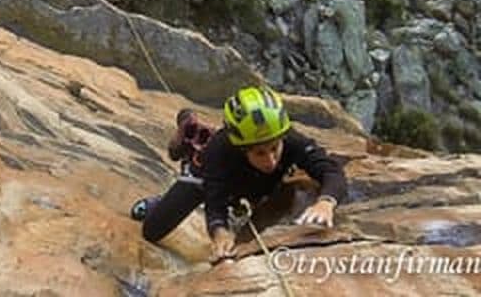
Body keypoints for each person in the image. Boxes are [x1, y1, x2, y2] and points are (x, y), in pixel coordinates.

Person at [131, 86, 347, 264]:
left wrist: (326, 202)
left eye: (274, 148)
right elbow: (215, 202)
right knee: (153, 230)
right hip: (211, 175)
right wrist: (220, 232)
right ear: (242, 148)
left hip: (258, 183)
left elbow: (330, 170)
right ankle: (164, 196)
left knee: (276, 184)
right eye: (260, 153)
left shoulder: (290, 139)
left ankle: (197, 133)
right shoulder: (219, 150)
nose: (270, 160)